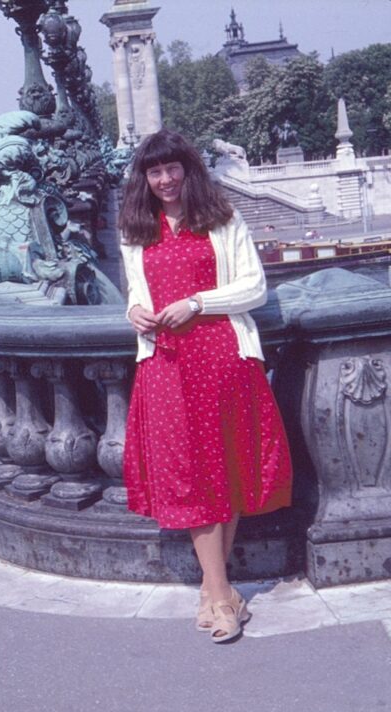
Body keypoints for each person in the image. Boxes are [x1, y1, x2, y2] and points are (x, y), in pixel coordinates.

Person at [119, 129, 292, 644]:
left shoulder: (221, 218)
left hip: (222, 356)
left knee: (229, 468)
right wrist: (133, 311)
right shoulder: (135, 228)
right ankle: (221, 595)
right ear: (145, 179)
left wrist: (196, 303)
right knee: (191, 475)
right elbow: (134, 289)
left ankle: (216, 594)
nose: (166, 180)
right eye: (155, 172)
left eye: (173, 169)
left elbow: (254, 286)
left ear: (188, 170)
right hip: (166, 364)